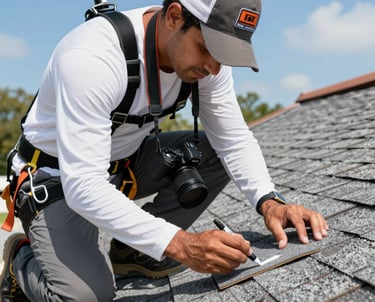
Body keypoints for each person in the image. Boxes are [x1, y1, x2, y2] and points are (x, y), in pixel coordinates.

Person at [0, 0, 329, 301]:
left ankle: (132, 253)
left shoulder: (207, 63)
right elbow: (83, 184)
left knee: (214, 150)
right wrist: (180, 244)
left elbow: (232, 138)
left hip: (125, 164)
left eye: (225, 54)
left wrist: (268, 201)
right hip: (56, 178)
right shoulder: (92, 57)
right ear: (174, 16)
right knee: (87, 297)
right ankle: (20, 260)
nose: (214, 68)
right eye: (207, 48)